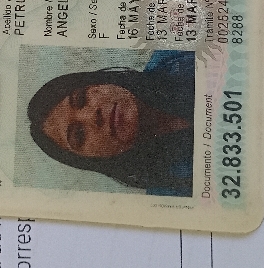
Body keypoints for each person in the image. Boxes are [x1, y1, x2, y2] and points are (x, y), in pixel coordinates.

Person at [27, 50, 195, 196]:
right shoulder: (173, 195)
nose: (93, 116)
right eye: (79, 134)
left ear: (99, 82)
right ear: (92, 160)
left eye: (81, 98)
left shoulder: (176, 54)